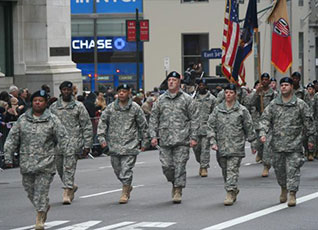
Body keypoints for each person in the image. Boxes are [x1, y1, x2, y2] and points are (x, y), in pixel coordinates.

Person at [4, 90, 69, 230]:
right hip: (26, 163)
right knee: (30, 191)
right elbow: (12, 138)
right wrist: (8, 156)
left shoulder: (52, 120)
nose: (37, 103)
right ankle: (43, 206)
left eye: (40, 101)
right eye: (35, 100)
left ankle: (40, 218)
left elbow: (63, 138)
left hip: (46, 164)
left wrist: (65, 154)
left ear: (45, 103)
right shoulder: (23, 119)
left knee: (41, 191)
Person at [260, 77, 315, 207]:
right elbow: (265, 120)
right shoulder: (274, 104)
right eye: (282, 85)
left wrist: (311, 141)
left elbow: (309, 124)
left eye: (286, 85)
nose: (283, 87)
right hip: (277, 145)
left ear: (291, 87)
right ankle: (283, 187)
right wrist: (263, 133)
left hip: (294, 144)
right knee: (279, 171)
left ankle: (292, 193)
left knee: (293, 170)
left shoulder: (300, 104)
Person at [149, 71, 199, 204]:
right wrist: (153, 136)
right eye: (169, 80)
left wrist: (194, 137)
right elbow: (154, 119)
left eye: (174, 80)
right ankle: (174, 181)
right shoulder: (160, 100)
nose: (171, 82)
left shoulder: (187, 99)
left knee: (180, 166)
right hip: (165, 139)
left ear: (179, 83)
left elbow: (194, 118)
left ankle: (178, 189)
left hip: (182, 139)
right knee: (167, 167)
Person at [97, 84, 149, 204]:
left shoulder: (135, 108)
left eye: (124, 91)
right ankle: (127, 184)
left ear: (129, 93)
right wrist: (102, 140)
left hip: (130, 145)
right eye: (119, 91)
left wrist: (145, 141)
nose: (121, 93)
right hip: (114, 146)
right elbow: (102, 123)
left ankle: (125, 191)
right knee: (118, 170)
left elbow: (143, 125)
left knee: (126, 170)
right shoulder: (110, 108)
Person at [208, 84, 256, 206]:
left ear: (235, 94)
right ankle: (233, 189)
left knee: (232, 170)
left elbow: (249, 127)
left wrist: (253, 143)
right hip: (221, 146)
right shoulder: (218, 109)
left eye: (230, 92)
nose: (228, 95)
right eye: (226, 92)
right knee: (225, 170)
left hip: (236, 146)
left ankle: (229, 192)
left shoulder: (242, 110)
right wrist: (213, 141)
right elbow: (210, 126)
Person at [50, 81, 93, 205]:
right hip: (58, 143)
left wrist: (87, 144)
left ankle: (67, 192)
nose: (66, 92)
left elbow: (86, 125)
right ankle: (71, 185)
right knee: (60, 169)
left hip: (73, 142)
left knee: (69, 168)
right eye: (64, 90)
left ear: (72, 91)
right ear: (61, 90)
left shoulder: (78, 106)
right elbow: (48, 125)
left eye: (69, 90)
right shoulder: (53, 107)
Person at [247, 73, 277, 177]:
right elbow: (249, 103)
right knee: (258, 144)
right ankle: (260, 153)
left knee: (267, 144)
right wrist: (257, 93)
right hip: (258, 122)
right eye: (262, 80)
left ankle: (266, 166)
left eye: (266, 79)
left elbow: (277, 106)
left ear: (269, 81)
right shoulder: (257, 92)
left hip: (269, 122)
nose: (264, 81)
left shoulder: (273, 93)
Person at [193, 79, 216, 177]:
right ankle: (201, 162)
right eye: (200, 85)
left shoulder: (212, 99)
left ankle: (204, 167)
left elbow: (215, 113)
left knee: (205, 149)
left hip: (207, 128)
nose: (201, 86)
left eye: (203, 85)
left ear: (206, 86)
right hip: (195, 128)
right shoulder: (193, 98)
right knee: (196, 149)